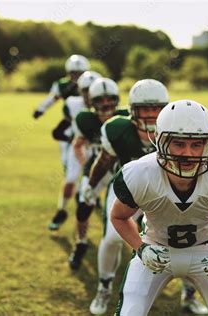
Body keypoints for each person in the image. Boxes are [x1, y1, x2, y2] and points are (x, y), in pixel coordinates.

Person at [111, 100, 208, 316]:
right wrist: (141, 248)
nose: (188, 153)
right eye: (179, 143)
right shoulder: (140, 175)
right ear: (161, 141)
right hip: (155, 248)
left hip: (206, 250)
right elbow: (118, 217)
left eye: (197, 144)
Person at [84, 81, 208, 315]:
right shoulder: (117, 130)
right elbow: (103, 161)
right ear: (133, 110)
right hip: (129, 189)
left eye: (156, 108)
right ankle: (104, 286)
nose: (151, 114)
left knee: (192, 240)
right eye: (145, 109)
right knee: (111, 238)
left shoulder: (177, 127)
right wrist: (91, 186)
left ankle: (189, 294)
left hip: (165, 191)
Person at [68, 78, 129, 269]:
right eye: (100, 101)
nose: (105, 105)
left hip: (120, 171)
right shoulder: (85, 119)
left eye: (109, 100)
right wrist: (86, 164)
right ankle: (81, 242)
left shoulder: (126, 117)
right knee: (83, 207)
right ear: (91, 102)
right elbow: (77, 144)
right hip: (96, 169)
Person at [32, 55, 91, 231]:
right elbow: (53, 98)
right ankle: (64, 207)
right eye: (74, 73)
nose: (77, 77)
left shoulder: (93, 87)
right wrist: (40, 110)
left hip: (92, 138)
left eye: (80, 73)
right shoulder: (70, 98)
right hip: (73, 132)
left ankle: (85, 194)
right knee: (70, 174)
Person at [47, 70, 102, 230]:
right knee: (71, 179)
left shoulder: (106, 106)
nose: (88, 95)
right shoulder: (72, 104)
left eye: (91, 90)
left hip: (98, 149)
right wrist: (64, 135)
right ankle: (61, 210)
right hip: (78, 146)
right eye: (85, 90)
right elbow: (62, 127)